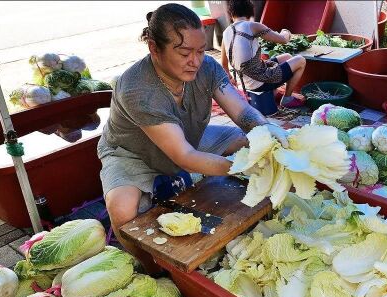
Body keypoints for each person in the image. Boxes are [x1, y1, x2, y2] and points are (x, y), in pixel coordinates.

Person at [97, 3, 288, 273]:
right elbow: (184, 157)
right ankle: (153, 269)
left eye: (200, 51)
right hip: (132, 153)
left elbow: (242, 111)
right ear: (154, 49)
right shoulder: (137, 87)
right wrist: (245, 166)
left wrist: (268, 134)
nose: (195, 61)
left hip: (187, 136)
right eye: (185, 52)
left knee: (251, 141)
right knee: (122, 210)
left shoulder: (206, 68)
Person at [221, 0, 306, 108]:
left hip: (242, 84)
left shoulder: (226, 32)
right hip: (260, 83)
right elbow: (283, 40)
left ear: (231, 14)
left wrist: (233, 81)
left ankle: (274, 91)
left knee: (287, 57)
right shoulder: (253, 26)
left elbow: (224, 65)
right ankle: (287, 99)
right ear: (249, 12)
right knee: (300, 60)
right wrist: (286, 31)